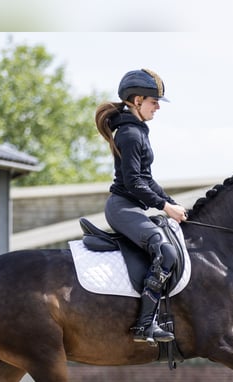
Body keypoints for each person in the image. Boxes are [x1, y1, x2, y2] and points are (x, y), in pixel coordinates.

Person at [95, 69, 188, 344]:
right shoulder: (130, 134)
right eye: (153, 101)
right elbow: (134, 183)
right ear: (136, 100)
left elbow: (146, 179)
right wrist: (164, 206)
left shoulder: (136, 131)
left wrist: (171, 203)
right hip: (122, 207)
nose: (157, 106)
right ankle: (145, 324)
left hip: (132, 206)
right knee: (166, 252)